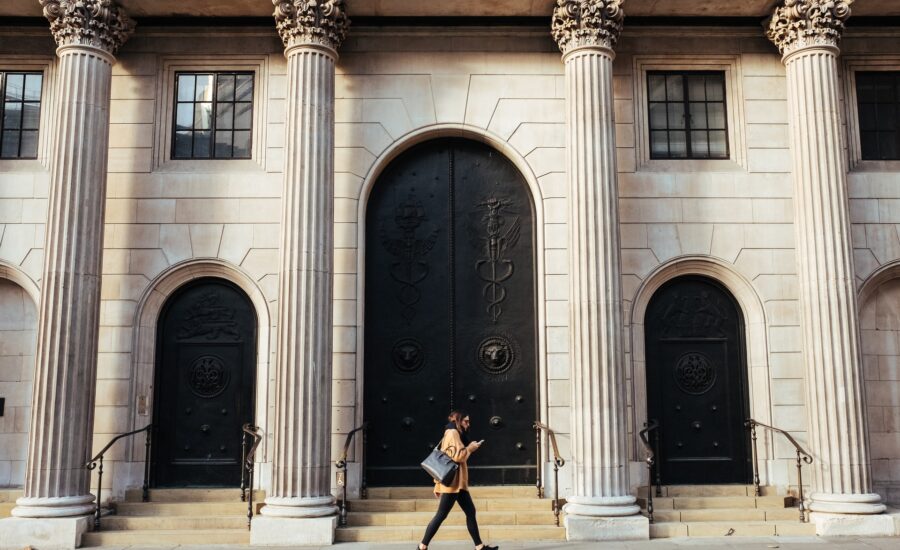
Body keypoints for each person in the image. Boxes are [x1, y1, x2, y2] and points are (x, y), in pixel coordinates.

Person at [418, 411, 498, 550]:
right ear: (458, 421)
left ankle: (479, 546)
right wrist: (470, 449)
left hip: (458, 484)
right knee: (441, 515)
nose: (468, 424)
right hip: (452, 484)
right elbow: (458, 457)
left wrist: (468, 448)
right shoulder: (452, 433)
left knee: (470, 512)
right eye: (465, 421)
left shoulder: (455, 433)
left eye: (468, 421)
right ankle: (422, 546)